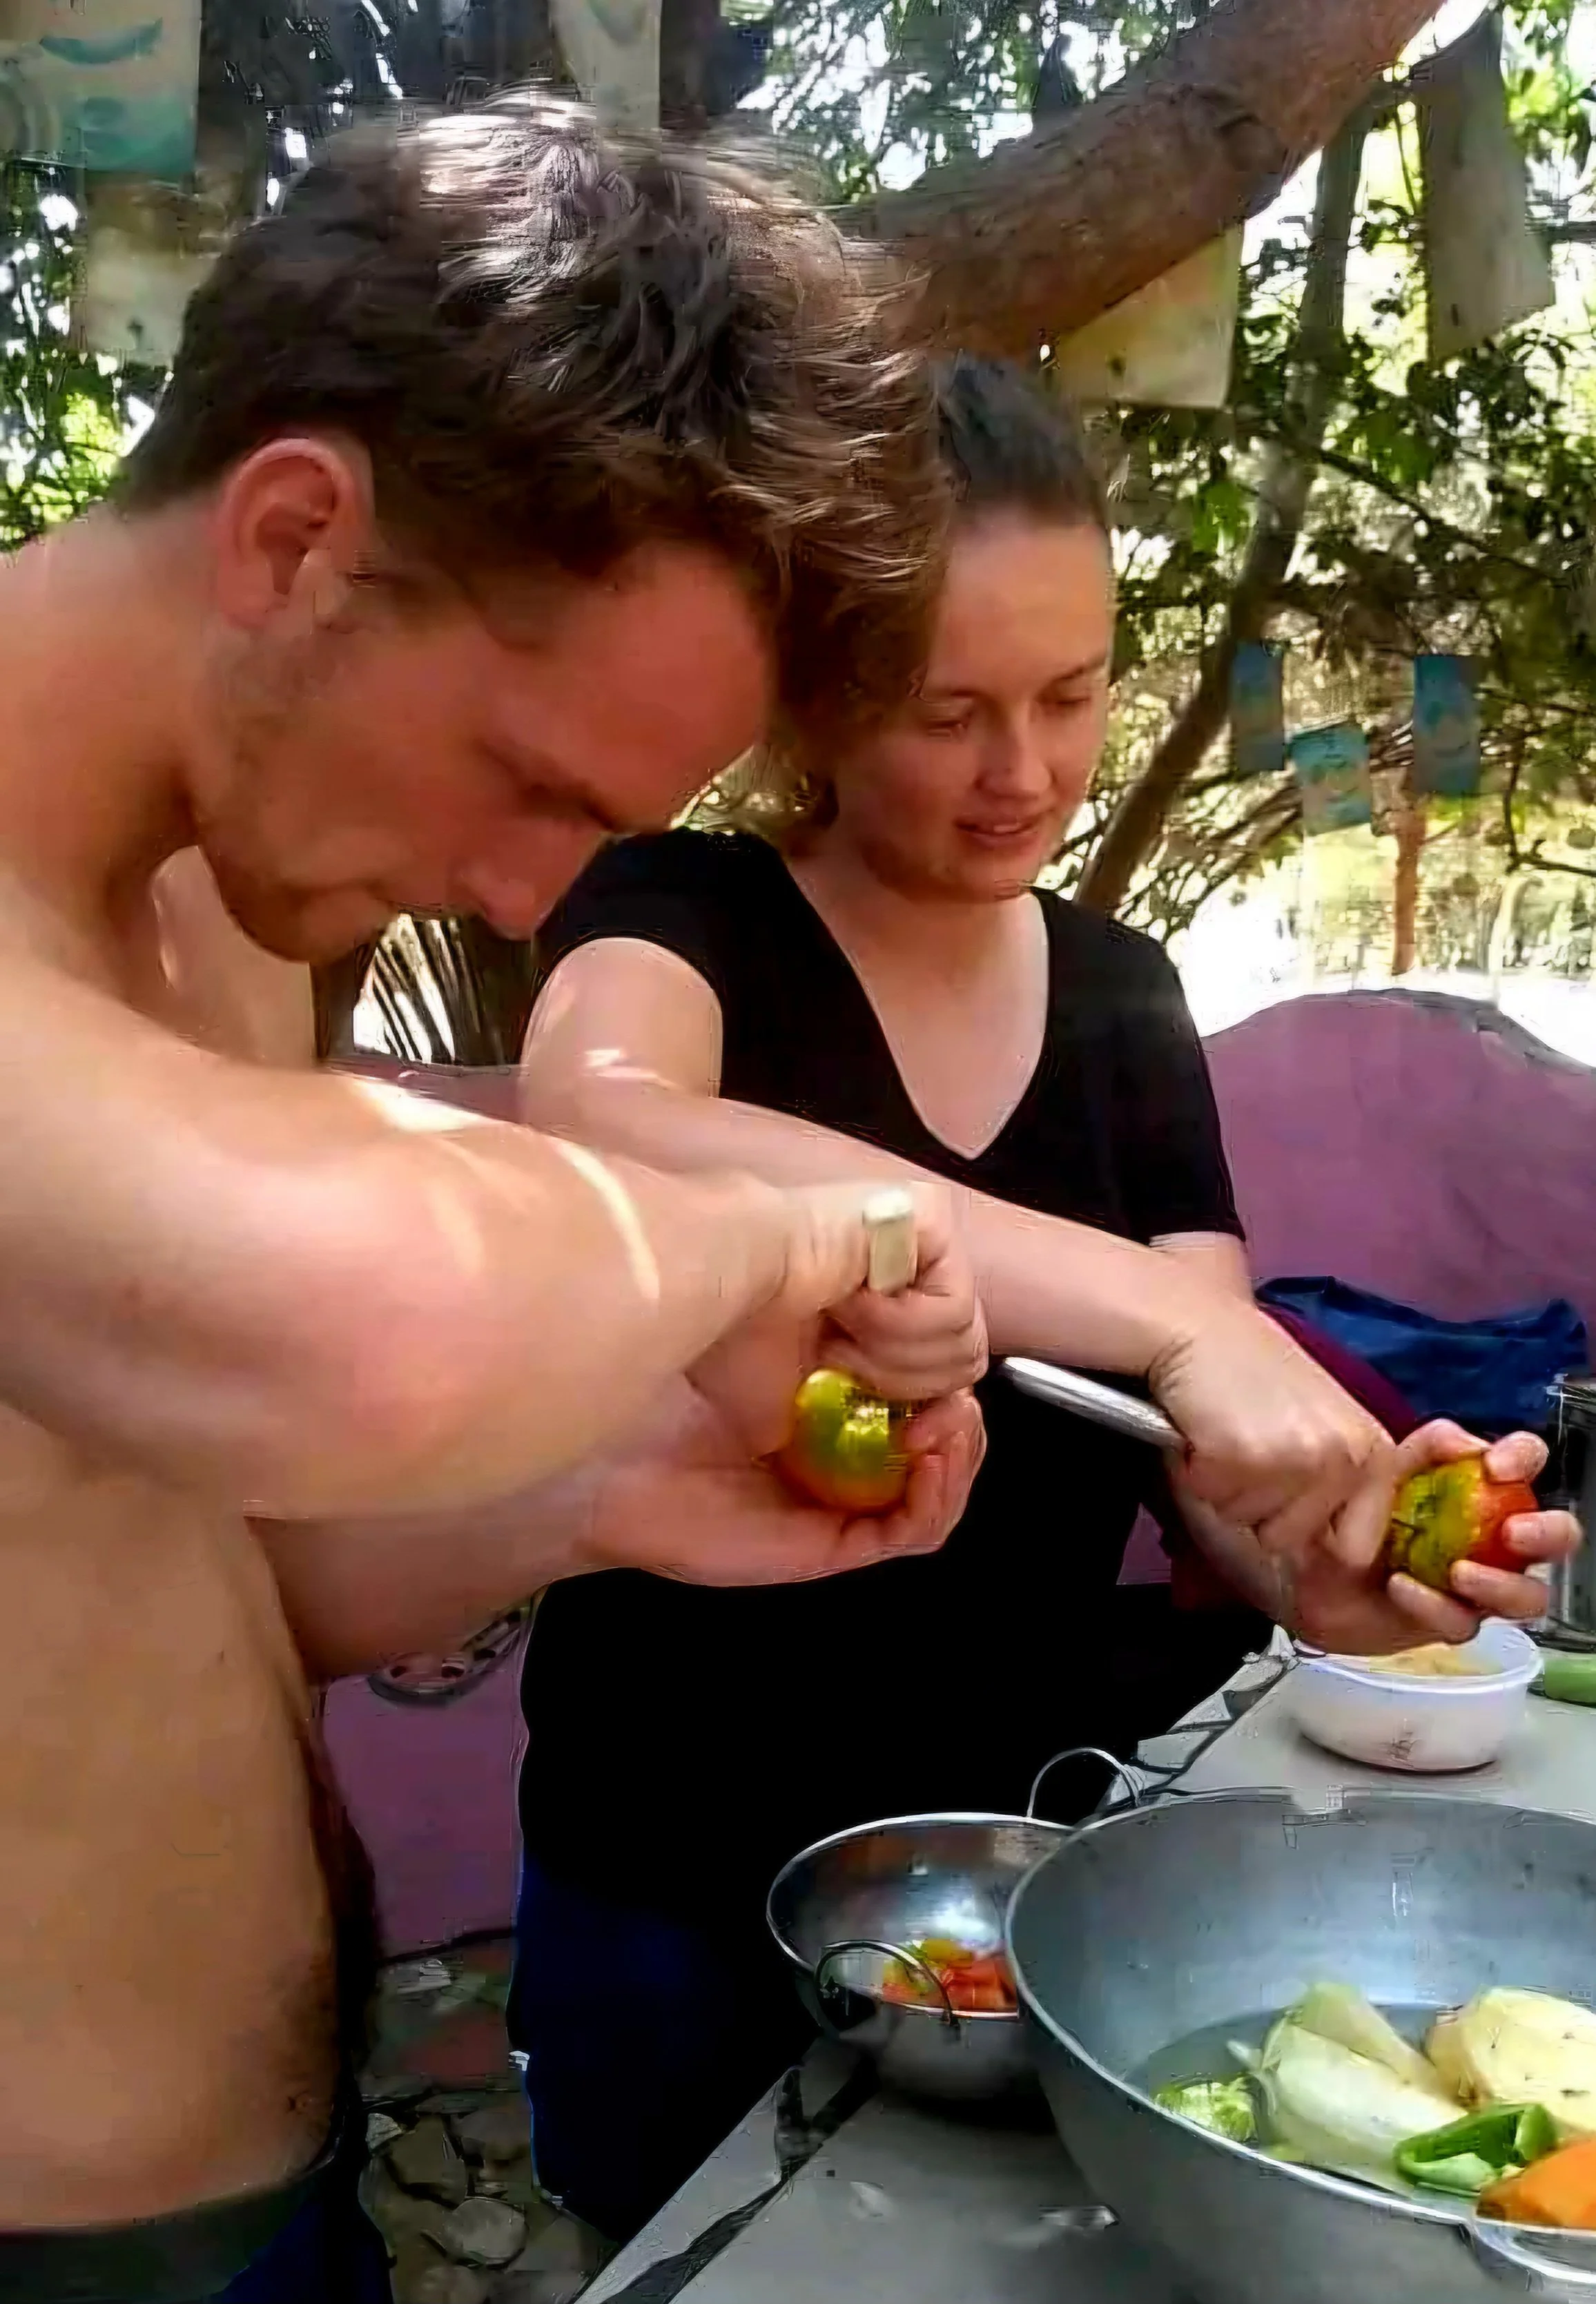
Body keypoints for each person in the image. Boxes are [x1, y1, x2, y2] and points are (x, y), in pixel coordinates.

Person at [0, 97, 1011, 2303]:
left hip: (257, 2196)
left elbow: (217, 1551)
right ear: (289, 536)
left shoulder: (229, 911)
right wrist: (789, 1234)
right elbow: (358, 1321)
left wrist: (611, 1490)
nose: (538, 897)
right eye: (533, 787)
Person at [515, 356, 1580, 2240]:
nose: (1026, 771)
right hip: (666, 1862)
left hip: (999, 1871)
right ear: (825, 701)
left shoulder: (1122, 1000)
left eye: (1074, 697)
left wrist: (1318, 1578)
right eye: (951, 711)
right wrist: (1167, 1318)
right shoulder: (679, 911)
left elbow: (1197, 1467)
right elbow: (607, 1126)